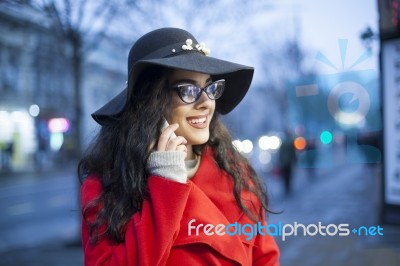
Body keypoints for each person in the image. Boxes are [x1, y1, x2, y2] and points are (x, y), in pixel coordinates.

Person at [78, 27, 280, 265]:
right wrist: (166, 185)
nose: (206, 102)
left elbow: (266, 258)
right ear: (149, 103)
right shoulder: (108, 186)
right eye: (188, 90)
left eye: (210, 87)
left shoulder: (235, 173)